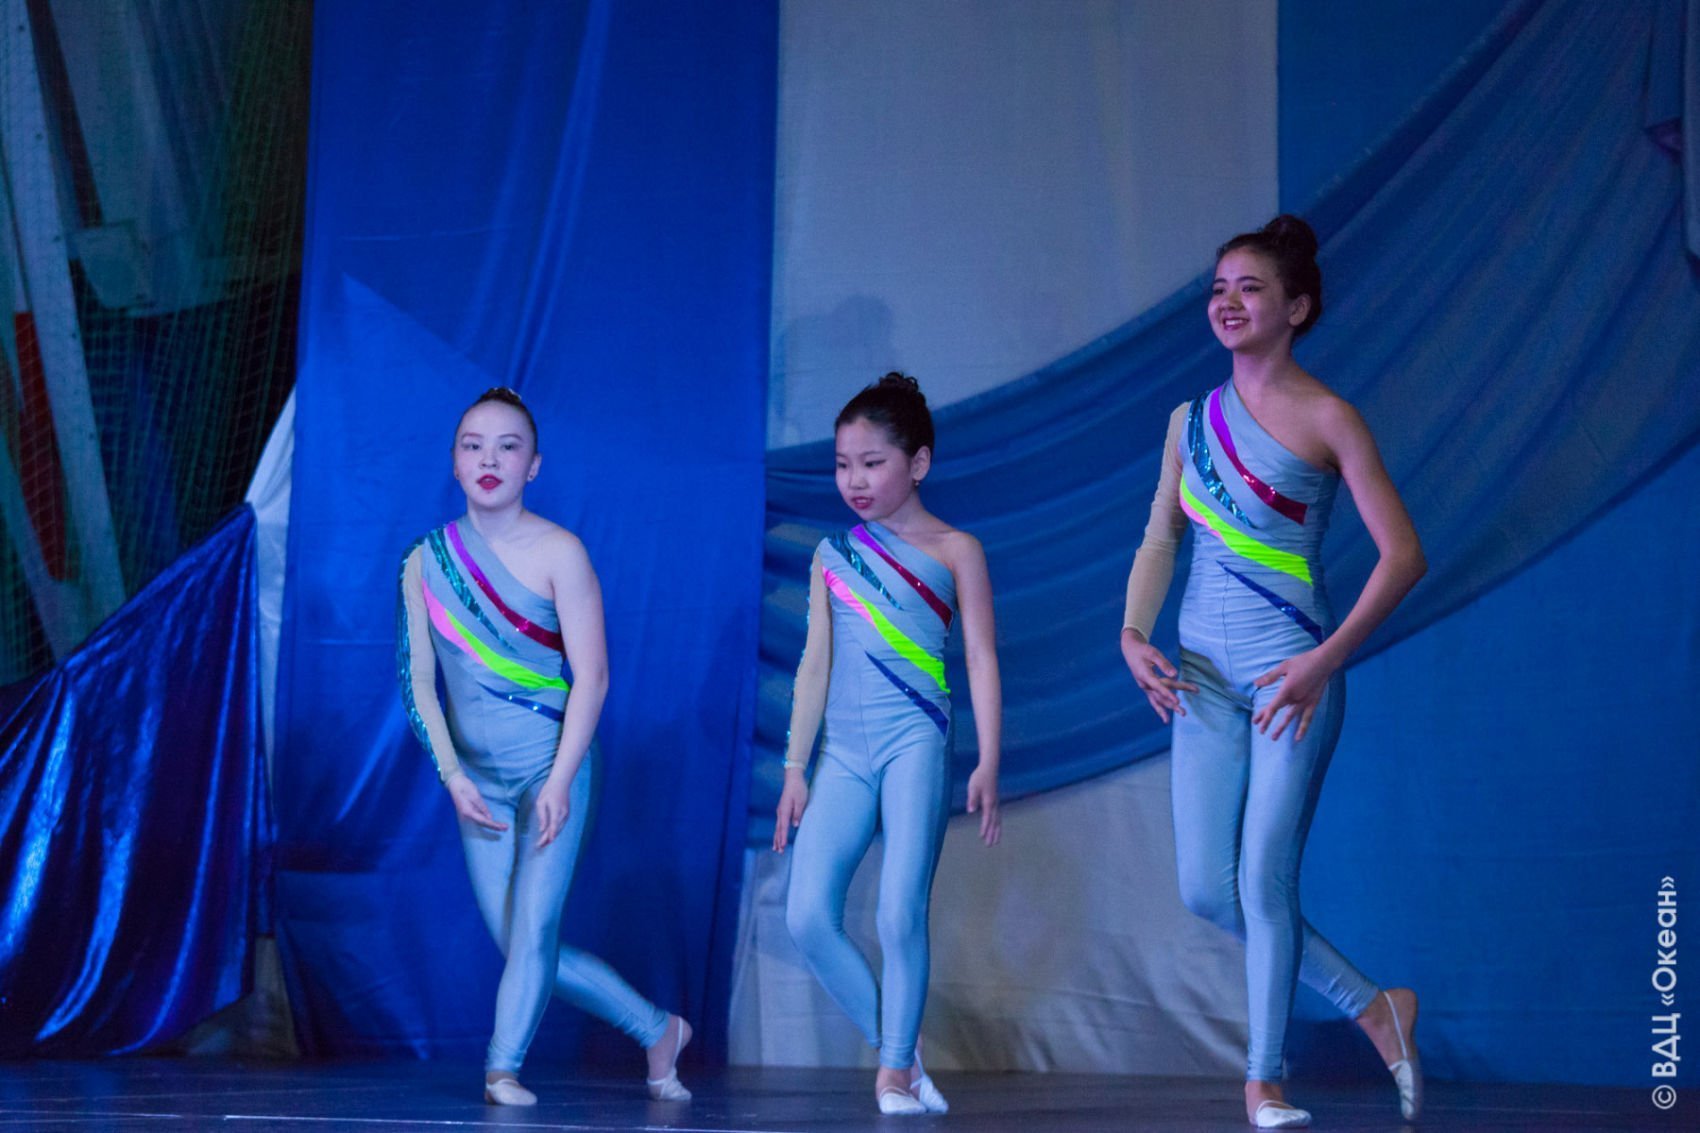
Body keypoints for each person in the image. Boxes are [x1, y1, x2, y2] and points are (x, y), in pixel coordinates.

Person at [1120, 217, 1427, 1129]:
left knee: (1263, 881)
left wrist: (1324, 662)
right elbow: (1160, 538)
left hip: (1294, 676)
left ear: (1296, 308)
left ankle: (1264, 1082)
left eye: (1250, 287)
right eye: (1219, 287)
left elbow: (1404, 555)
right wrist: (1132, 633)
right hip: (1201, 679)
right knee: (1204, 888)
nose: (1228, 301)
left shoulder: (1331, 418)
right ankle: (1377, 1009)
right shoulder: (1188, 423)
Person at [397, 387, 691, 1107]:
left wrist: (560, 780)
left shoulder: (562, 551)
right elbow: (418, 681)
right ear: (454, 461)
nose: (489, 459)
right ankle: (659, 1030)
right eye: (473, 446)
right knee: (518, 942)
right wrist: (452, 776)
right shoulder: (425, 561)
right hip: (477, 785)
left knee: (534, 933)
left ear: (533, 465)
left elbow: (594, 676)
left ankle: (500, 1070)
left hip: (552, 770)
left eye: (508, 447)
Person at [773, 373, 1003, 1116]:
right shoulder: (832, 554)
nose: (855, 480)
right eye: (843, 464)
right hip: (842, 755)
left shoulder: (957, 549)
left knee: (899, 913)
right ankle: (899, 1049)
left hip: (915, 743)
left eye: (872, 462)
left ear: (919, 462)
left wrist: (989, 758)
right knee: (807, 915)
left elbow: (980, 658)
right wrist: (795, 767)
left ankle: (894, 1073)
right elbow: (814, 665)